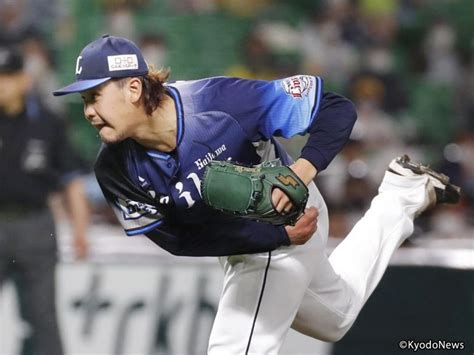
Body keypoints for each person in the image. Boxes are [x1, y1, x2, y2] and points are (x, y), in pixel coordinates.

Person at [53, 35, 460, 354]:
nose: (88, 110)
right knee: (334, 318)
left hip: (287, 212)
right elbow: (177, 241)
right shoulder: (114, 168)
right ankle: (402, 194)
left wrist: (300, 173)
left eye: (95, 95)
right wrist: (276, 237)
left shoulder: (216, 102)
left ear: (134, 88)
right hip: (256, 238)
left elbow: (337, 110)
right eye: (84, 99)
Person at [0, 46, 90, 355]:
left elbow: (71, 181)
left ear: (25, 80)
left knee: (42, 318)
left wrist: (80, 230)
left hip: (35, 226)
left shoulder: (48, 123)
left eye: (8, 77)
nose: (2, 84)